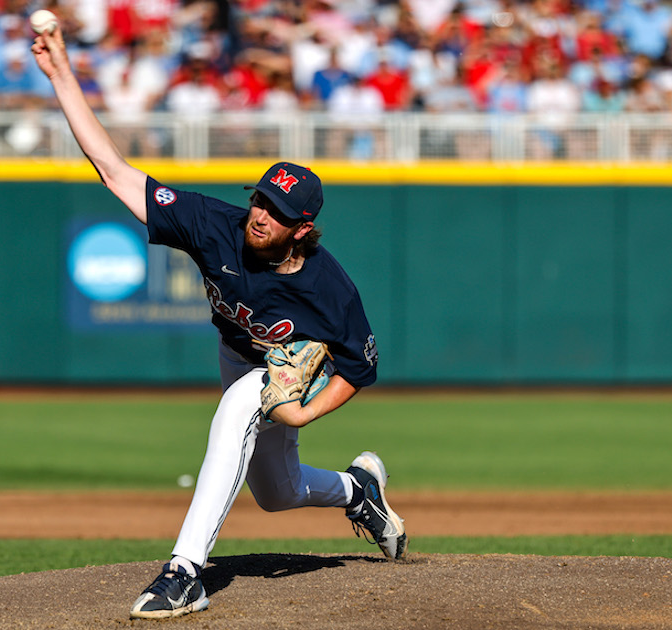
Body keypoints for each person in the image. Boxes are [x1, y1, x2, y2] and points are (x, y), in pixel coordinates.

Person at [32, 22, 406, 620]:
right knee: (277, 494)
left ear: (301, 229)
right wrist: (63, 78)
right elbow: (114, 170)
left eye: (276, 211)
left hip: (286, 372)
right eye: (259, 199)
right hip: (238, 354)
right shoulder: (215, 225)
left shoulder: (329, 288)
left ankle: (185, 572)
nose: (260, 214)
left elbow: (361, 368)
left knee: (236, 410)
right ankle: (359, 490)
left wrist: (306, 409)